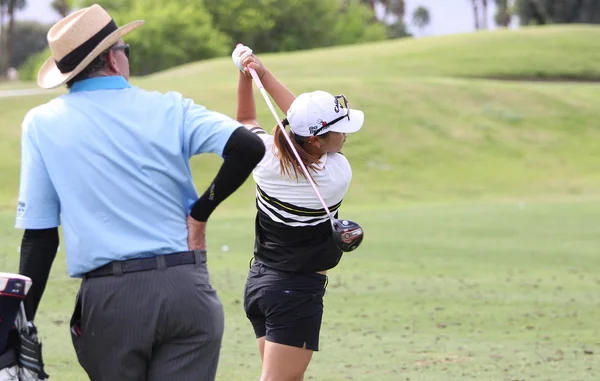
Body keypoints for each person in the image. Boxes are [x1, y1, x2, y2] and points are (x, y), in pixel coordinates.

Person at [13, 5, 265, 381]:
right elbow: (248, 146)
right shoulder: (170, 108)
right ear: (114, 62)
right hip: (186, 289)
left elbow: (40, 237)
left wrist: (20, 323)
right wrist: (200, 212)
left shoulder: (42, 123)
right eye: (125, 51)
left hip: (110, 299)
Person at [231, 45, 365, 381]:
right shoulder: (336, 174)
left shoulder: (262, 158)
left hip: (261, 284)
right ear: (318, 141)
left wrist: (249, 75)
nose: (345, 134)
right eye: (340, 129)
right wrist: (260, 73)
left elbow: (248, 120)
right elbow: (297, 115)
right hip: (295, 292)